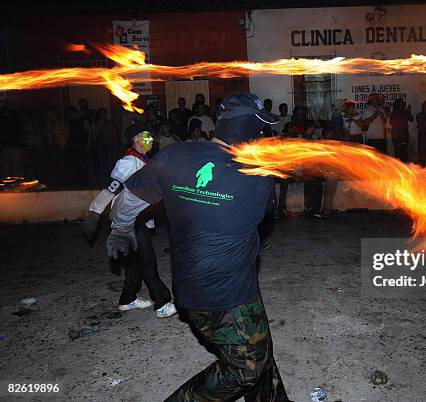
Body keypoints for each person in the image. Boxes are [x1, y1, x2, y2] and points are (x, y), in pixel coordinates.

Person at [106, 92, 292, 401]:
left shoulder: (172, 156)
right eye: (260, 129)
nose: (264, 136)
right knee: (247, 367)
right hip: (227, 297)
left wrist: (120, 229)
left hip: (191, 286)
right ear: (245, 130)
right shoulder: (258, 178)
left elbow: (125, 201)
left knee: (257, 345)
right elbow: (262, 212)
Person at [84, 124, 176, 318]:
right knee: (147, 260)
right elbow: (112, 187)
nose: (150, 139)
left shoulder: (144, 161)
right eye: (145, 136)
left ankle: (127, 299)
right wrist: (94, 211)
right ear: (135, 138)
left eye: (151, 136)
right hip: (128, 220)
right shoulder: (128, 162)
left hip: (136, 218)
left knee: (134, 262)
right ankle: (162, 302)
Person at [302, 120, 323, 218]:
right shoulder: (308, 139)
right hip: (311, 167)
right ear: (310, 127)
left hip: (307, 167)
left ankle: (308, 208)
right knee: (316, 188)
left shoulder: (305, 138)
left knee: (309, 188)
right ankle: (315, 210)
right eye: (313, 127)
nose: (314, 129)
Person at [92, 108, 115, 185]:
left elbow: (112, 134)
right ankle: (102, 180)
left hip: (109, 145)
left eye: (104, 113)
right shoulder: (97, 123)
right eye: (101, 114)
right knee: (101, 162)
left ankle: (110, 180)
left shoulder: (109, 123)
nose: (103, 115)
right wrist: (98, 126)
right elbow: (95, 135)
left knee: (109, 162)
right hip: (100, 145)